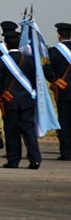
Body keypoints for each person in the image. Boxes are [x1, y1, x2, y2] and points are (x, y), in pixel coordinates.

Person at [0, 29, 41, 169]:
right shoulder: (29, 60)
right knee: (29, 131)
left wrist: (3, 93)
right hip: (26, 100)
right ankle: (35, 159)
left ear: (6, 44)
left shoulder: (2, 61)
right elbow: (34, 80)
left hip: (10, 100)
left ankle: (13, 160)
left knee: (12, 131)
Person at [46, 22, 71, 161]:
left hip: (63, 91)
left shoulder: (54, 52)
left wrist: (55, 81)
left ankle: (66, 153)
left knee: (65, 123)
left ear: (59, 35)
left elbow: (47, 71)